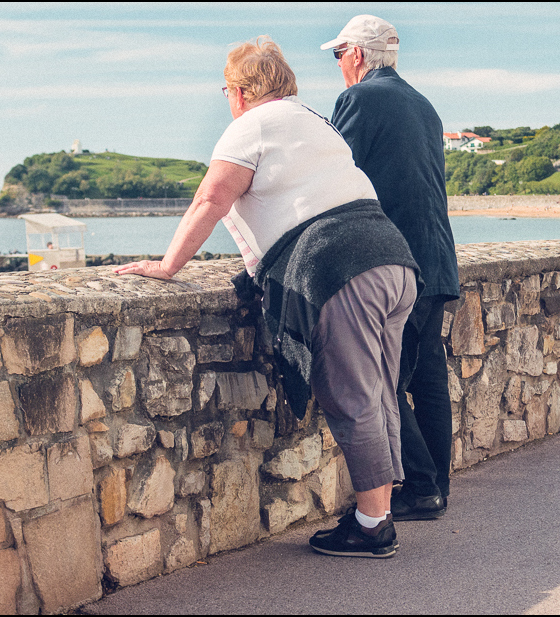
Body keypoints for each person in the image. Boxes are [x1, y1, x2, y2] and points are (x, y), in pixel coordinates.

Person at [114, 36, 422, 558]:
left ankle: (373, 527)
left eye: (226, 90)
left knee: (354, 398)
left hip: (340, 267)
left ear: (238, 91)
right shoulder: (315, 122)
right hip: (392, 259)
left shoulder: (250, 126)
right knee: (381, 393)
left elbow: (212, 197)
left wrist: (168, 266)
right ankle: (379, 510)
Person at [320, 15, 460, 520]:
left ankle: (421, 489)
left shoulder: (361, 99)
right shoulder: (424, 105)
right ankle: (435, 487)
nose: (338, 65)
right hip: (438, 258)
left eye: (338, 55)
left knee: (383, 380)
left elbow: (335, 173)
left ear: (356, 55)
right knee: (427, 381)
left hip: (396, 260)